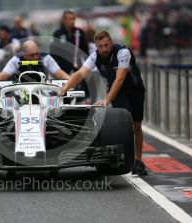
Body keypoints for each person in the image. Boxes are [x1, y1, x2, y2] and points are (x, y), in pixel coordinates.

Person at [60, 31, 147, 175]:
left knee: (137, 125)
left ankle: (139, 160)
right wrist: (63, 90)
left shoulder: (123, 52)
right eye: (100, 46)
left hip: (134, 90)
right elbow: (80, 74)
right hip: (118, 93)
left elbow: (119, 80)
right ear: (96, 46)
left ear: (111, 42)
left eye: (106, 45)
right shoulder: (95, 56)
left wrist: (106, 100)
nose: (104, 49)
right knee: (127, 124)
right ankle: (130, 160)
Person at [50, 10, 89, 98]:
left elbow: (85, 52)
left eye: (73, 19)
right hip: (62, 70)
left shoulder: (79, 33)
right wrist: (55, 70)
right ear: (64, 20)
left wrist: (87, 68)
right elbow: (53, 53)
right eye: (70, 19)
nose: (72, 21)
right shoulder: (58, 34)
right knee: (62, 94)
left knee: (79, 94)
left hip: (77, 69)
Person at [0, 40, 70, 81]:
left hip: (43, 91)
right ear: (24, 54)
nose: (36, 57)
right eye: (32, 55)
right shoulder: (16, 60)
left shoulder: (46, 58)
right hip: (21, 92)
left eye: (37, 53)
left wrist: (70, 80)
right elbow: (3, 74)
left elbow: (59, 73)